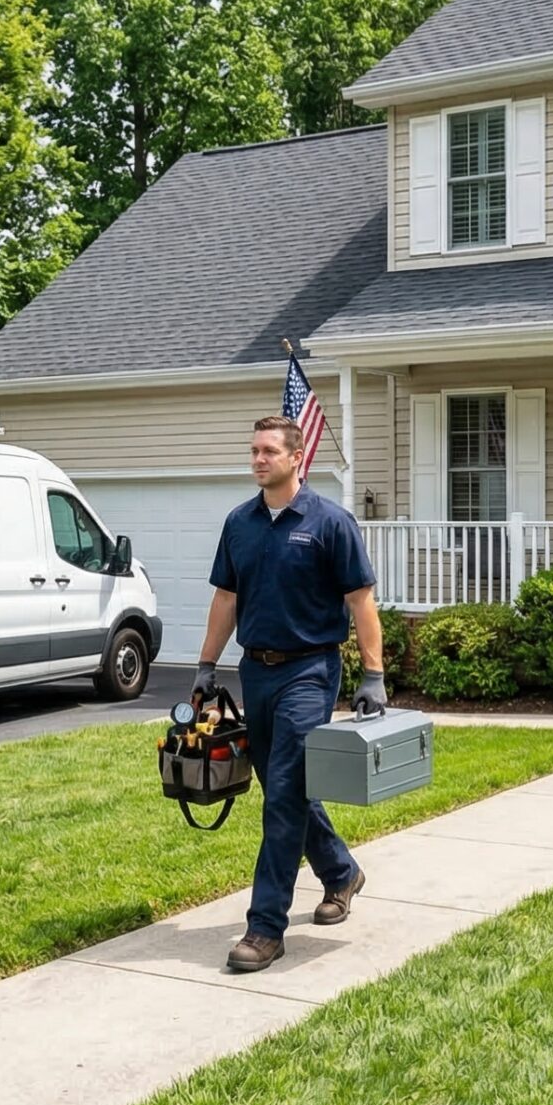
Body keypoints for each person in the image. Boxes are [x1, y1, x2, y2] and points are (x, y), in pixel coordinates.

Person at [193, 414, 386, 974]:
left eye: (269, 451)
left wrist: (371, 675)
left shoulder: (330, 522)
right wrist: (207, 664)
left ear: (295, 457)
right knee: (287, 787)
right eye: (253, 450)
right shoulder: (239, 523)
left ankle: (265, 928)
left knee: (283, 794)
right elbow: (226, 599)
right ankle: (342, 873)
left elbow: (361, 601)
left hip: (310, 672)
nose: (257, 459)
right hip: (257, 671)